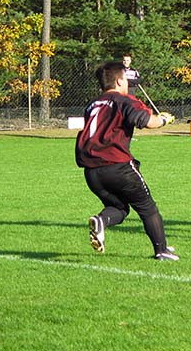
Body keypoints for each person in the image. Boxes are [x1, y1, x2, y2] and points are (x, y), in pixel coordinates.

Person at [75, 61, 179, 261]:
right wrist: (163, 119)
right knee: (148, 207)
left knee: (120, 208)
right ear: (119, 80)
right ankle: (161, 250)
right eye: (126, 78)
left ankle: (101, 221)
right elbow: (146, 121)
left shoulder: (92, 104)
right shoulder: (125, 101)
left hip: (91, 171)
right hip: (117, 166)